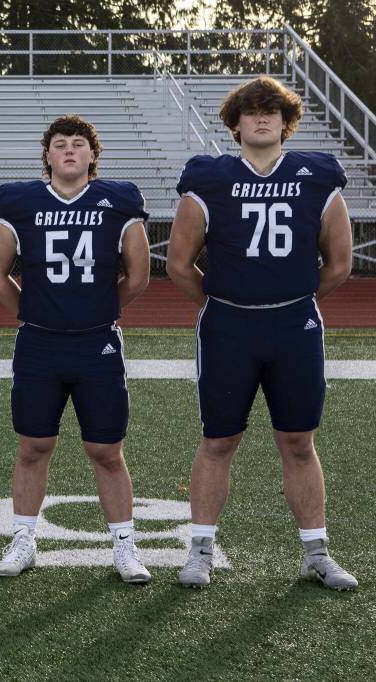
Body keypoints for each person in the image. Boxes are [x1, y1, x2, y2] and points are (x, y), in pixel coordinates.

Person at [167, 76, 357, 590]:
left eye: (271, 109)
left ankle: (315, 551)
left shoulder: (315, 175)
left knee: (298, 440)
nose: (261, 116)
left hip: (293, 323)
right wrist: (224, 303)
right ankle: (201, 548)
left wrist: (292, 298)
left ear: (286, 121)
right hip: (229, 325)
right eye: (250, 110)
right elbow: (179, 264)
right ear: (235, 124)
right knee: (218, 439)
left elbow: (339, 263)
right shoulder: (208, 177)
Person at [0, 115, 153, 582]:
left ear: (93, 155)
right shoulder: (19, 201)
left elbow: (138, 276)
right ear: (48, 155)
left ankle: (124, 544)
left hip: (97, 342)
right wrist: (35, 311)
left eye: (79, 144)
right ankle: (23, 538)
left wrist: (96, 310)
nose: (69, 151)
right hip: (39, 342)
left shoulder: (118, 201)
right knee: (33, 446)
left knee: (107, 450)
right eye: (60, 145)